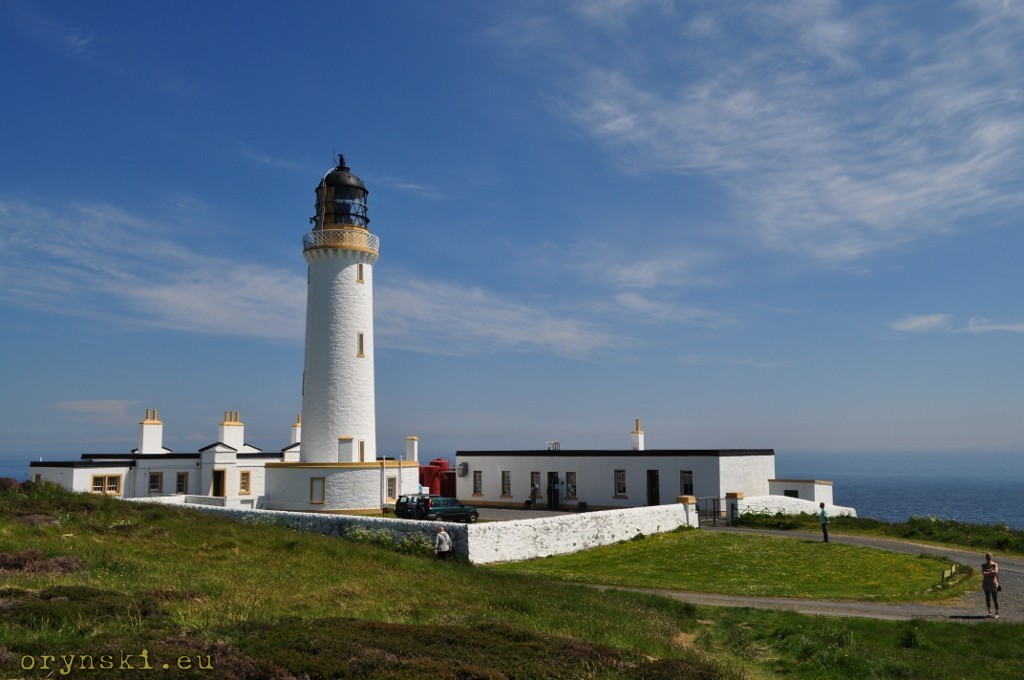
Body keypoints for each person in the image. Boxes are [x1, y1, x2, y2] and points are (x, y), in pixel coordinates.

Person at [982, 552, 1000, 619]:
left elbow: (995, 572)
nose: (988, 559)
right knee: (987, 598)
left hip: (993, 584)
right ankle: (989, 612)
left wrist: (987, 573)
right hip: (986, 584)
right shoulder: (983, 565)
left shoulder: (995, 564)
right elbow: (983, 573)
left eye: (989, 558)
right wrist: (991, 572)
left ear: (991, 558)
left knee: (995, 599)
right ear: (985, 558)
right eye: (987, 558)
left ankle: (997, 613)